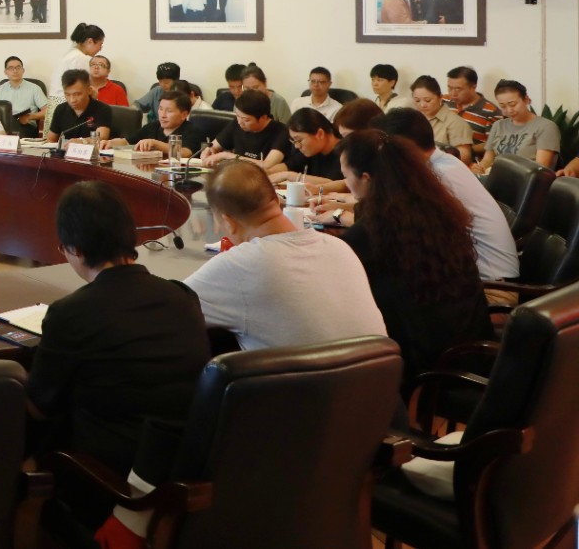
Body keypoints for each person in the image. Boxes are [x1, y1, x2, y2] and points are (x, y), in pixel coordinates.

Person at [27, 181, 210, 529]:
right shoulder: (183, 298)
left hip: (111, 485)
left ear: (74, 248)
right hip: (180, 478)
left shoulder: (72, 313)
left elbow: (38, 407)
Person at [336, 129, 493, 383]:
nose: (345, 182)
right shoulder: (438, 211)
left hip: (423, 365)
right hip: (467, 345)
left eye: (345, 176)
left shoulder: (367, 235)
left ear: (366, 178)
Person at [183, 161, 385, 350]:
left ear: (228, 222)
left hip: (301, 377)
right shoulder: (339, 247)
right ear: (277, 200)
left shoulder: (240, 265)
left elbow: (169, 312)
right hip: (380, 373)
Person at [368, 108, 520, 282]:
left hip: (493, 285)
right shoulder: (442, 163)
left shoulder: (439, 175)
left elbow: (402, 223)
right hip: (473, 274)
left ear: (404, 147)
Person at [474, 79, 559, 173]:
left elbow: (541, 168)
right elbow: (487, 160)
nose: (509, 110)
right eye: (503, 106)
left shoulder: (545, 126)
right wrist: (480, 167)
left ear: (526, 100)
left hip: (526, 178)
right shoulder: (498, 125)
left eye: (513, 104)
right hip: (495, 176)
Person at [199, 89, 289, 170]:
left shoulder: (281, 131)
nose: (240, 122)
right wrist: (209, 151)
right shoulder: (237, 123)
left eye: (246, 120)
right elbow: (214, 146)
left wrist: (227, 156)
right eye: (237, 116)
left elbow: (267, 165)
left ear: (263, 117)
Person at [100, 90, 206, 157]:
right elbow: (127, 142)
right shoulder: (153, 126)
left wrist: (155, 143)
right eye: (160, 109)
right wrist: (110, 143)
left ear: (184, 114)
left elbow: (185, 153)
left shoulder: (192, 130)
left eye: (169, 111)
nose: (162, 115)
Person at [268, 109, 345, 192]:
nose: (297, 146)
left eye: (299, 140)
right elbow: (288, 166)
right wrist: (268, 173)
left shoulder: (346, 152)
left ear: (320, 134)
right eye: (294, 141)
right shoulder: (312, 149)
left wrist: (288, 175)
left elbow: (338, 184)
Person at [411, 76, 474, 163]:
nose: (422, 105)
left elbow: (464, 157)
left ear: (440, 97)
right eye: (417, 101)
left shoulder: (456, 123)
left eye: (427, 100)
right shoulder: (411, 119)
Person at [444, 65, 502, 155]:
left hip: (469, 158)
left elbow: (494, 143)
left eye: (458, 89)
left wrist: (466, 150)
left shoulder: (491, 111)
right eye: (450, 88)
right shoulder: (444, 101)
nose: (453, 93)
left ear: (473, 87)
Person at [46, 69, 113, 144]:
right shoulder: (61, 109)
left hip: (92, 151)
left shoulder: (102, 109)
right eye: (67, 94)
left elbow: (101, 137)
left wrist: (81, 141)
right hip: (66, 150)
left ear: (89, 90)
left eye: (77, 94)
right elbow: (51, 139)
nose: (72, 100)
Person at [0, 56, 49, 137]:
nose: (15, 71)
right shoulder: (0, 89)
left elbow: (47, 111)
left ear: (23, 70)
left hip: (26, 126)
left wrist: (29, 117)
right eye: (11, 68)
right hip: (5, 126)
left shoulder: (34, 88)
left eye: (18, 67)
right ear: (5, 72)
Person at [53, 23, 104, 102]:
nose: (100, 49)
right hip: (67, 102)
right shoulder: (79, 58)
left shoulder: (72, 54)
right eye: (100, 44)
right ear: (90, 41)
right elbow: (79, 87)